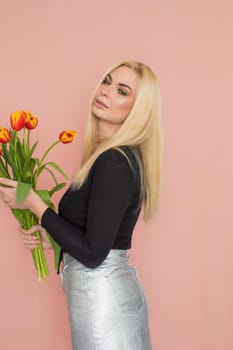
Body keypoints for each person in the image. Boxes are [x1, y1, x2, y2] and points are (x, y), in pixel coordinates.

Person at [0, 60, 163, 350]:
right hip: (110, 296)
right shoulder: (115, 157)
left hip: (104, 303)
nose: (106, 91)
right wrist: (54, 239)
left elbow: (93, 253)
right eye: (107, 82)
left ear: (137, 110)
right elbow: (100, 239)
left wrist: (35, 203)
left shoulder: (114, 161)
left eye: (122, 91)